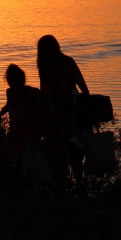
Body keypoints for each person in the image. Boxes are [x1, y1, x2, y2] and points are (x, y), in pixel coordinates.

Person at [36, 34, 90, 190]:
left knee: (61, 150)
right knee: (69, 150)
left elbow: (44, 92)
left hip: (64, 112)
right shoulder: (64, 63)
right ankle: (75, 184)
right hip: (63, 112)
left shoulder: (55, 64)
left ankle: (66, 184)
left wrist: (42, 115)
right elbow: (83, 88)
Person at [0, 64, 41, 176]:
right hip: (15, 131)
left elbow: (41, 108)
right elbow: (8, 105)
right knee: (3, 152)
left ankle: (13, 178)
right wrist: (0, 115)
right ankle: (2, 177)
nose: (9, 83)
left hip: (28, 132)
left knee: (18, 155)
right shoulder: (10, 92)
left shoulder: (31, 93)